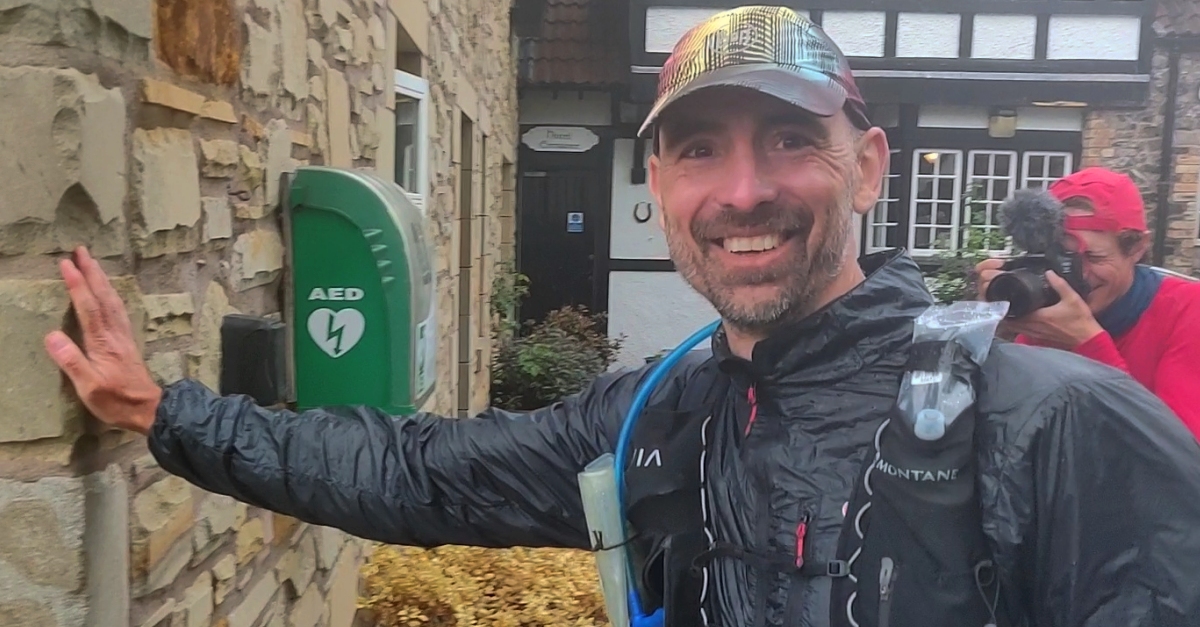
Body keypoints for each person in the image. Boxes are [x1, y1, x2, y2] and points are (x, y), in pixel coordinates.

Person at [44, 6, 1200, 627]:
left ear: (867, 167)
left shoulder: (1057, 424)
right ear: (657, 187)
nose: (741, 191)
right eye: (699, 150)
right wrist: (165, 413)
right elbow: (418, 472)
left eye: (789, 140)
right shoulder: (657, 418)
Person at [975, 167, 1200, 436]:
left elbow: (1178, 449)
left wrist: (1088, 342)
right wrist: (986, 332)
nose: (1079, 276)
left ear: (1136, 248)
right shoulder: (1046, 305)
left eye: (1094, 258)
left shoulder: (1187, 309)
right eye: (1061, 259)